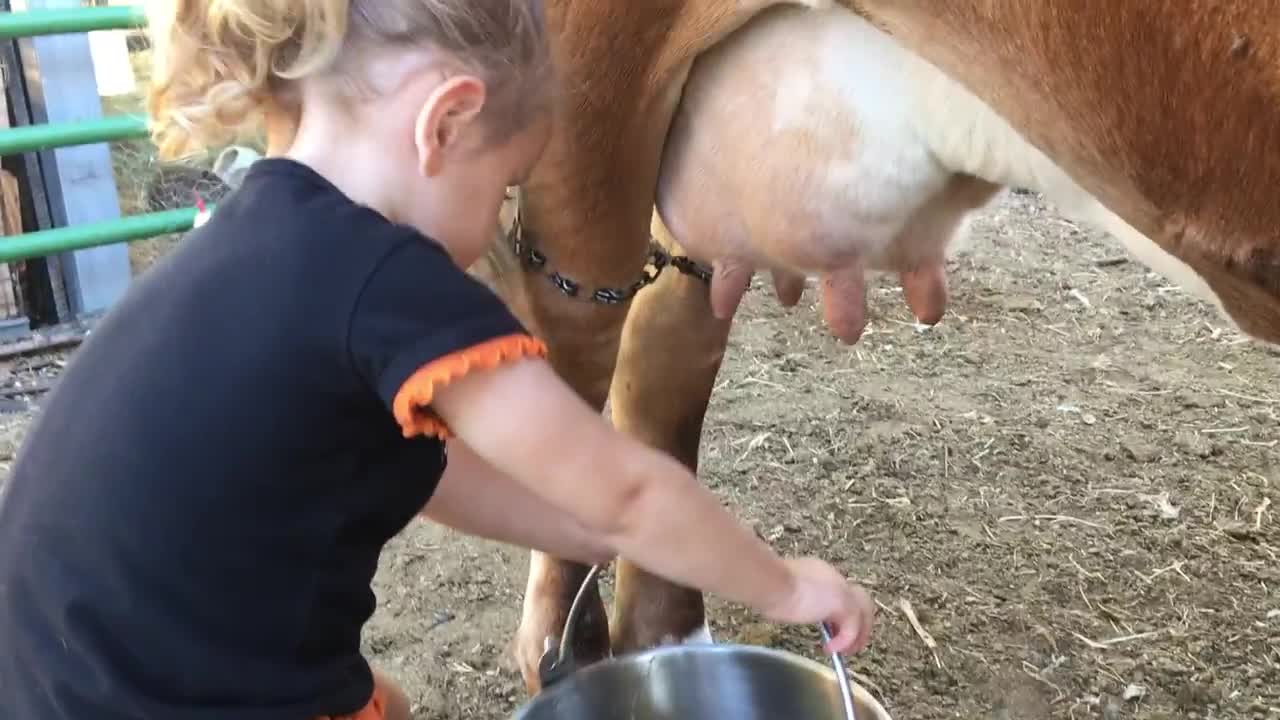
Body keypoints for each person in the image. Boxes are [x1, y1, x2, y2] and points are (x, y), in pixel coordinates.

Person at [0, 1, 875, 718]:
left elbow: (436, 476)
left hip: (56, 678)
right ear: (446, 121)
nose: (496, 221)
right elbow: (630, 494)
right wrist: (786, 585)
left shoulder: (258, 234)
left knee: (387, 704)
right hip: (183, 696)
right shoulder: (388, 281)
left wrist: (586, 534)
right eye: (504, 188)